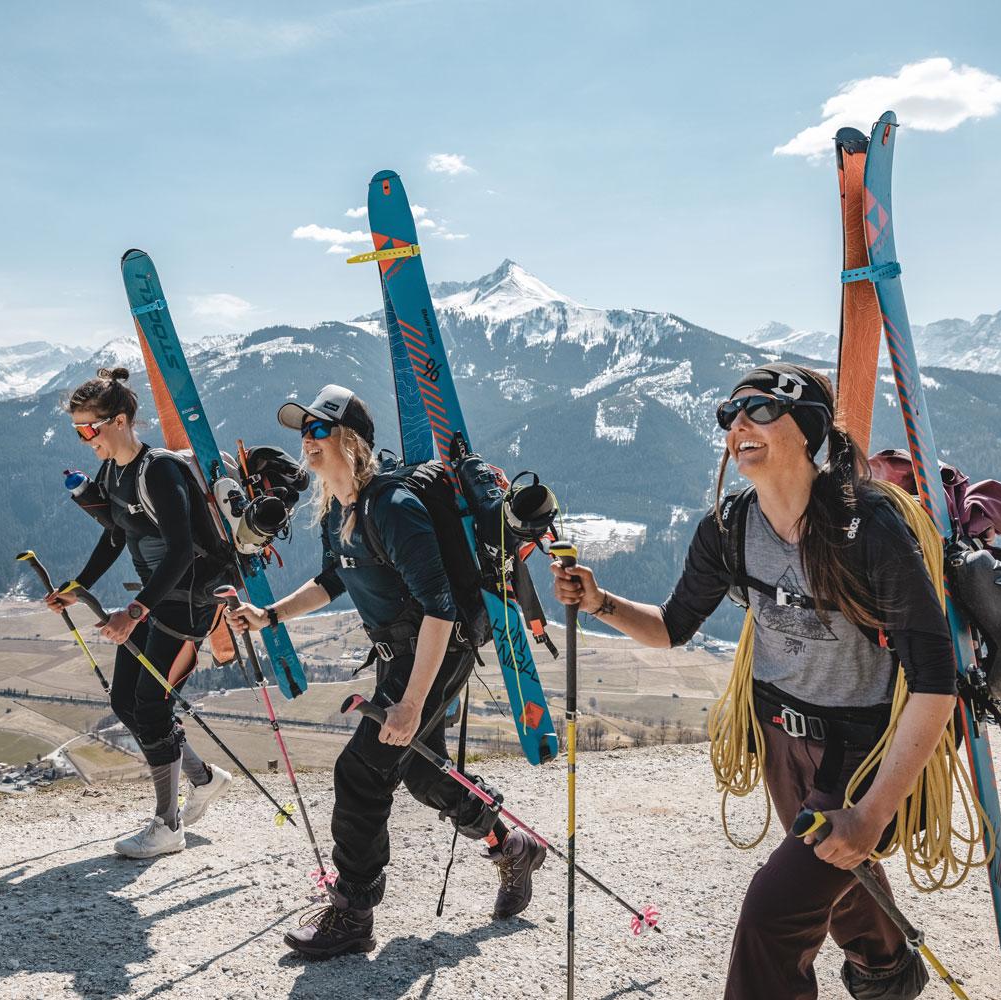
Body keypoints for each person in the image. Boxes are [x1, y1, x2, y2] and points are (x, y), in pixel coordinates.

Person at [552, 363, 955, 1000]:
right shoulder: (729, 527)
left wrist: (873, 814)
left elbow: (935, 680)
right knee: (834, 875)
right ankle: (888, 971)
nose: (738, 425)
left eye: (760, 411)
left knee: (775, 911)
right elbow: (672, 625)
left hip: (859, 750)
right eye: (730, 414)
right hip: (779, 740)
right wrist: (601, 603)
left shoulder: (869, 531)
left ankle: (884, 969)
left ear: (809, 429)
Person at [228, 384, 544, 959]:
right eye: (303, 431)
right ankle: (513, 846)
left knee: (362, 771)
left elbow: (439, 606)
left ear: (352, 440)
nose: (307, 440)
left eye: (319, 430)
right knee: (422, 772)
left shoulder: (392, 508)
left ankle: (353, 913)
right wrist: (270, 615)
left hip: (436, 648)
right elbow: (334, 580)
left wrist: (411, 702)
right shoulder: (338, 509)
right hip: (405, 653)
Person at [51, 367, 231, 859]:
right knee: (127, 703)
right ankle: (204, 778)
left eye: (90, 428)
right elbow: (116, 536)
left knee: (151, 705)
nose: (86, 440)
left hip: (187, 599)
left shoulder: (161, 471)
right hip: (155, 598)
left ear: (122, 420)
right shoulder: (113, 473)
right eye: (78, 431)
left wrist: (132, 611)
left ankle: (168, 825)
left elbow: (179, 552)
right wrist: (79, 587)